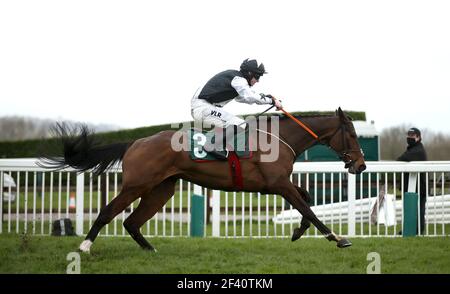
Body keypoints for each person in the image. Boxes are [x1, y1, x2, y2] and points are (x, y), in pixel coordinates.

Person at [191, 58, 282, 160]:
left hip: (203, 107)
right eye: (257, 77)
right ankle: (211, 145)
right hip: (203, 107)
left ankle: (219, 146)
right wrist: (272, 101)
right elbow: (249, 96)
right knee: (240, 124)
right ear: (249, 73)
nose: (257, 80)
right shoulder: (238, 79)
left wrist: (266, 98)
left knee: (237, 124)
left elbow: (242, 98)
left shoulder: (236, 78)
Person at [397, 127, 428, 235]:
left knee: (419, 211)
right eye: (408, 135)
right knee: (410, 210)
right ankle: (409, 230)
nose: (409, 137)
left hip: (420, 187)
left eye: (412, 136)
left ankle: (418, 231)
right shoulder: (412, 148)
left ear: (418, 137)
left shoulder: (417, 150)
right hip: (412, 186)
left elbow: (401, 159)